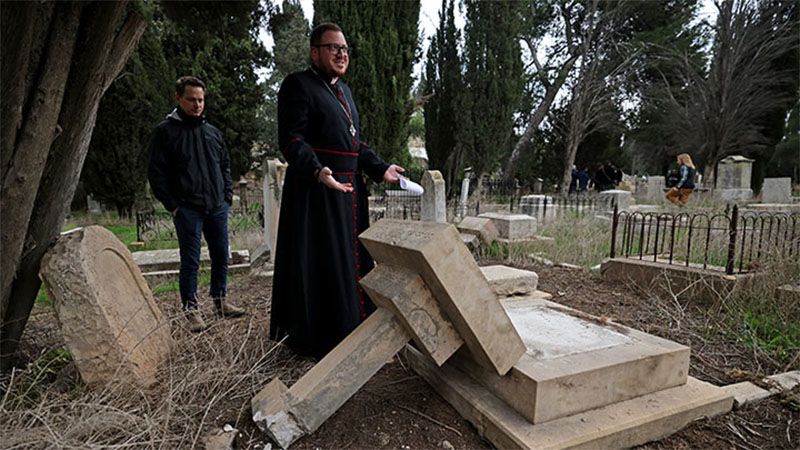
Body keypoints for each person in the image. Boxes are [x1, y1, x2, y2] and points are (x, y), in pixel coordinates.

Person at [270, 23, 405, 359]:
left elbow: (354, 144)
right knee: (322, 265)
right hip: (316, 193)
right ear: (314, 52)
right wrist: (318, 170)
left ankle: (352, 329)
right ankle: (320, 340)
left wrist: (380, 168)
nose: (342, 54)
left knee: (349, 262)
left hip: (348, 192)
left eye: (345, 49)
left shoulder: (344, 92)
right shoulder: (298, 84)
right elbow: (291, 139)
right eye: (334, 48)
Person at [148, 76, 245, 333]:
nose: (197, 105)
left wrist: (226, 196)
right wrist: (172, 205)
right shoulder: (165, 132)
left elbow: (225, 165)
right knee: (190, 261)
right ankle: (191, 310)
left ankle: (220, 301)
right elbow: (156, 173)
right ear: (178, 98)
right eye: (191, 99)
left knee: (221, 256)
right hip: (187, 209)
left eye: (201, 100)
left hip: (216, 206)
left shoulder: (212, 132)